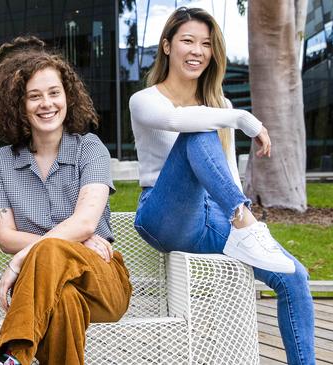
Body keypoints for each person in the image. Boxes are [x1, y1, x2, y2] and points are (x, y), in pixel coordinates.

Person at [129, 7, 314, 364]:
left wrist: (232, 115)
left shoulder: (220, 107)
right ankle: (245, 223)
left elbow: (225, 174)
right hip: (164, 214)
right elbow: (176, 120)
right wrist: (243, 118)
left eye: (206, 44)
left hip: (216, 217)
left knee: (295, 278)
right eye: (187, 41)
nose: (197, 50)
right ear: (167, 46)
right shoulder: (145, 100)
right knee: (197, 131)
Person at [0, 36, 132, 365]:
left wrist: (23, 258)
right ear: (18, 105)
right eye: (34, 96)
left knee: (52, 252)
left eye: (54, 93)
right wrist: (70, 243)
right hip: (46, 292)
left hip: (102, 281)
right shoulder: (1, 163)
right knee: (64, 300)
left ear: (68, 96)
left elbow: (85, 222)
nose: (46, 104)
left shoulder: (90, 148)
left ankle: (12, 354)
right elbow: (5, 236)